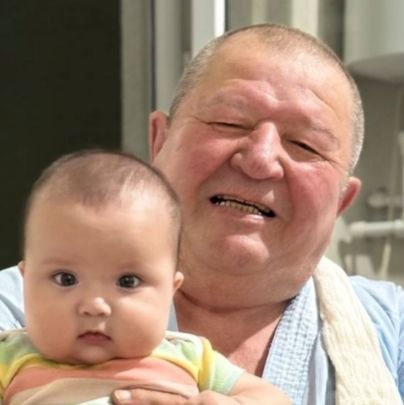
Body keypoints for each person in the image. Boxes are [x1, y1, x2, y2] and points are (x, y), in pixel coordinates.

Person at [0, 23, 403, 404]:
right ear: (159, 140)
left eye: (305, 145)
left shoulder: (393, 327)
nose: (260, 160)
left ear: (341, 202)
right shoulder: (15, 311)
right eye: (229, 122)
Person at [0, 150, 290, 405]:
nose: (94, 306)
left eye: (128, 282)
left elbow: (272, 398)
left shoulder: (190, 356)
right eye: (65, 279)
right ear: (25, 283)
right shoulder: (10, 357)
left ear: (171, 290)